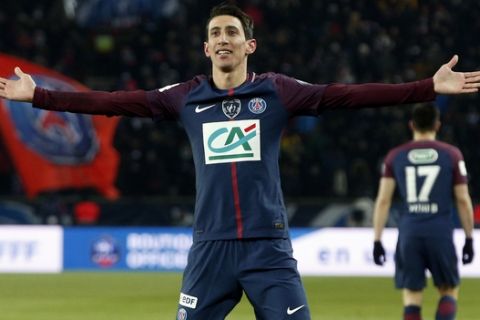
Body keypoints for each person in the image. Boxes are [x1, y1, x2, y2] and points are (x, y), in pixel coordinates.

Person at [1, 3, 480, 319]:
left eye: (233, 31)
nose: (224, 38)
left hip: (267, 248)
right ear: (207, 48)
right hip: (210, 248)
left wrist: (425, 88)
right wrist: (39, 96)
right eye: (215, 33)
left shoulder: (276, 91)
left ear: (250, 45)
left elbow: (347, 95)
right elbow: (113, 102)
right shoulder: (184, 97)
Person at [372, 104, 474, 320]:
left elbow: (383, 201)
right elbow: (463, 200)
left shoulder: (394, 156)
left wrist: (377, 240)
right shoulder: (452, 154)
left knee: (412, 295)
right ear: (437, 125)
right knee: (449, 290)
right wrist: (469, 238)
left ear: (411, 125)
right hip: (440, 231)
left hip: (409, 232)